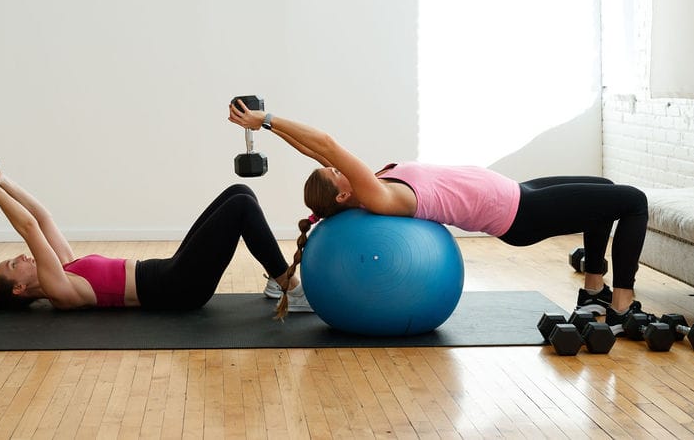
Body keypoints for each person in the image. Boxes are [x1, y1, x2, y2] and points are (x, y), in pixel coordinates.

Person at [228, 101, 650, 328]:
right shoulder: (377, 197)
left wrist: (265, 127)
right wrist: (267, 117)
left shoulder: (367, 184)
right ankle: (621, 304)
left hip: (518, 191)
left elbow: (315, 148)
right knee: (633, 201)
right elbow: (327, 142)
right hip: (522, 214)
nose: (337, 165)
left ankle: (593, 293)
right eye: (334, 171)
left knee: (607, 192)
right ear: (340, 196)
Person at [0, 159, 310, 315]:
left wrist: (3, 180)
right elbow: (29, 228)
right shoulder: (59, 291)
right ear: (20, 289)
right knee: (241, 210)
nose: (22, 257)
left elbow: (42, 217)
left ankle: (275, 283)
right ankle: (288, 288)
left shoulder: (65, 267)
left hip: (170, 270)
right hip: (177, 289)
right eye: (13, 264)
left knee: (240, 192)